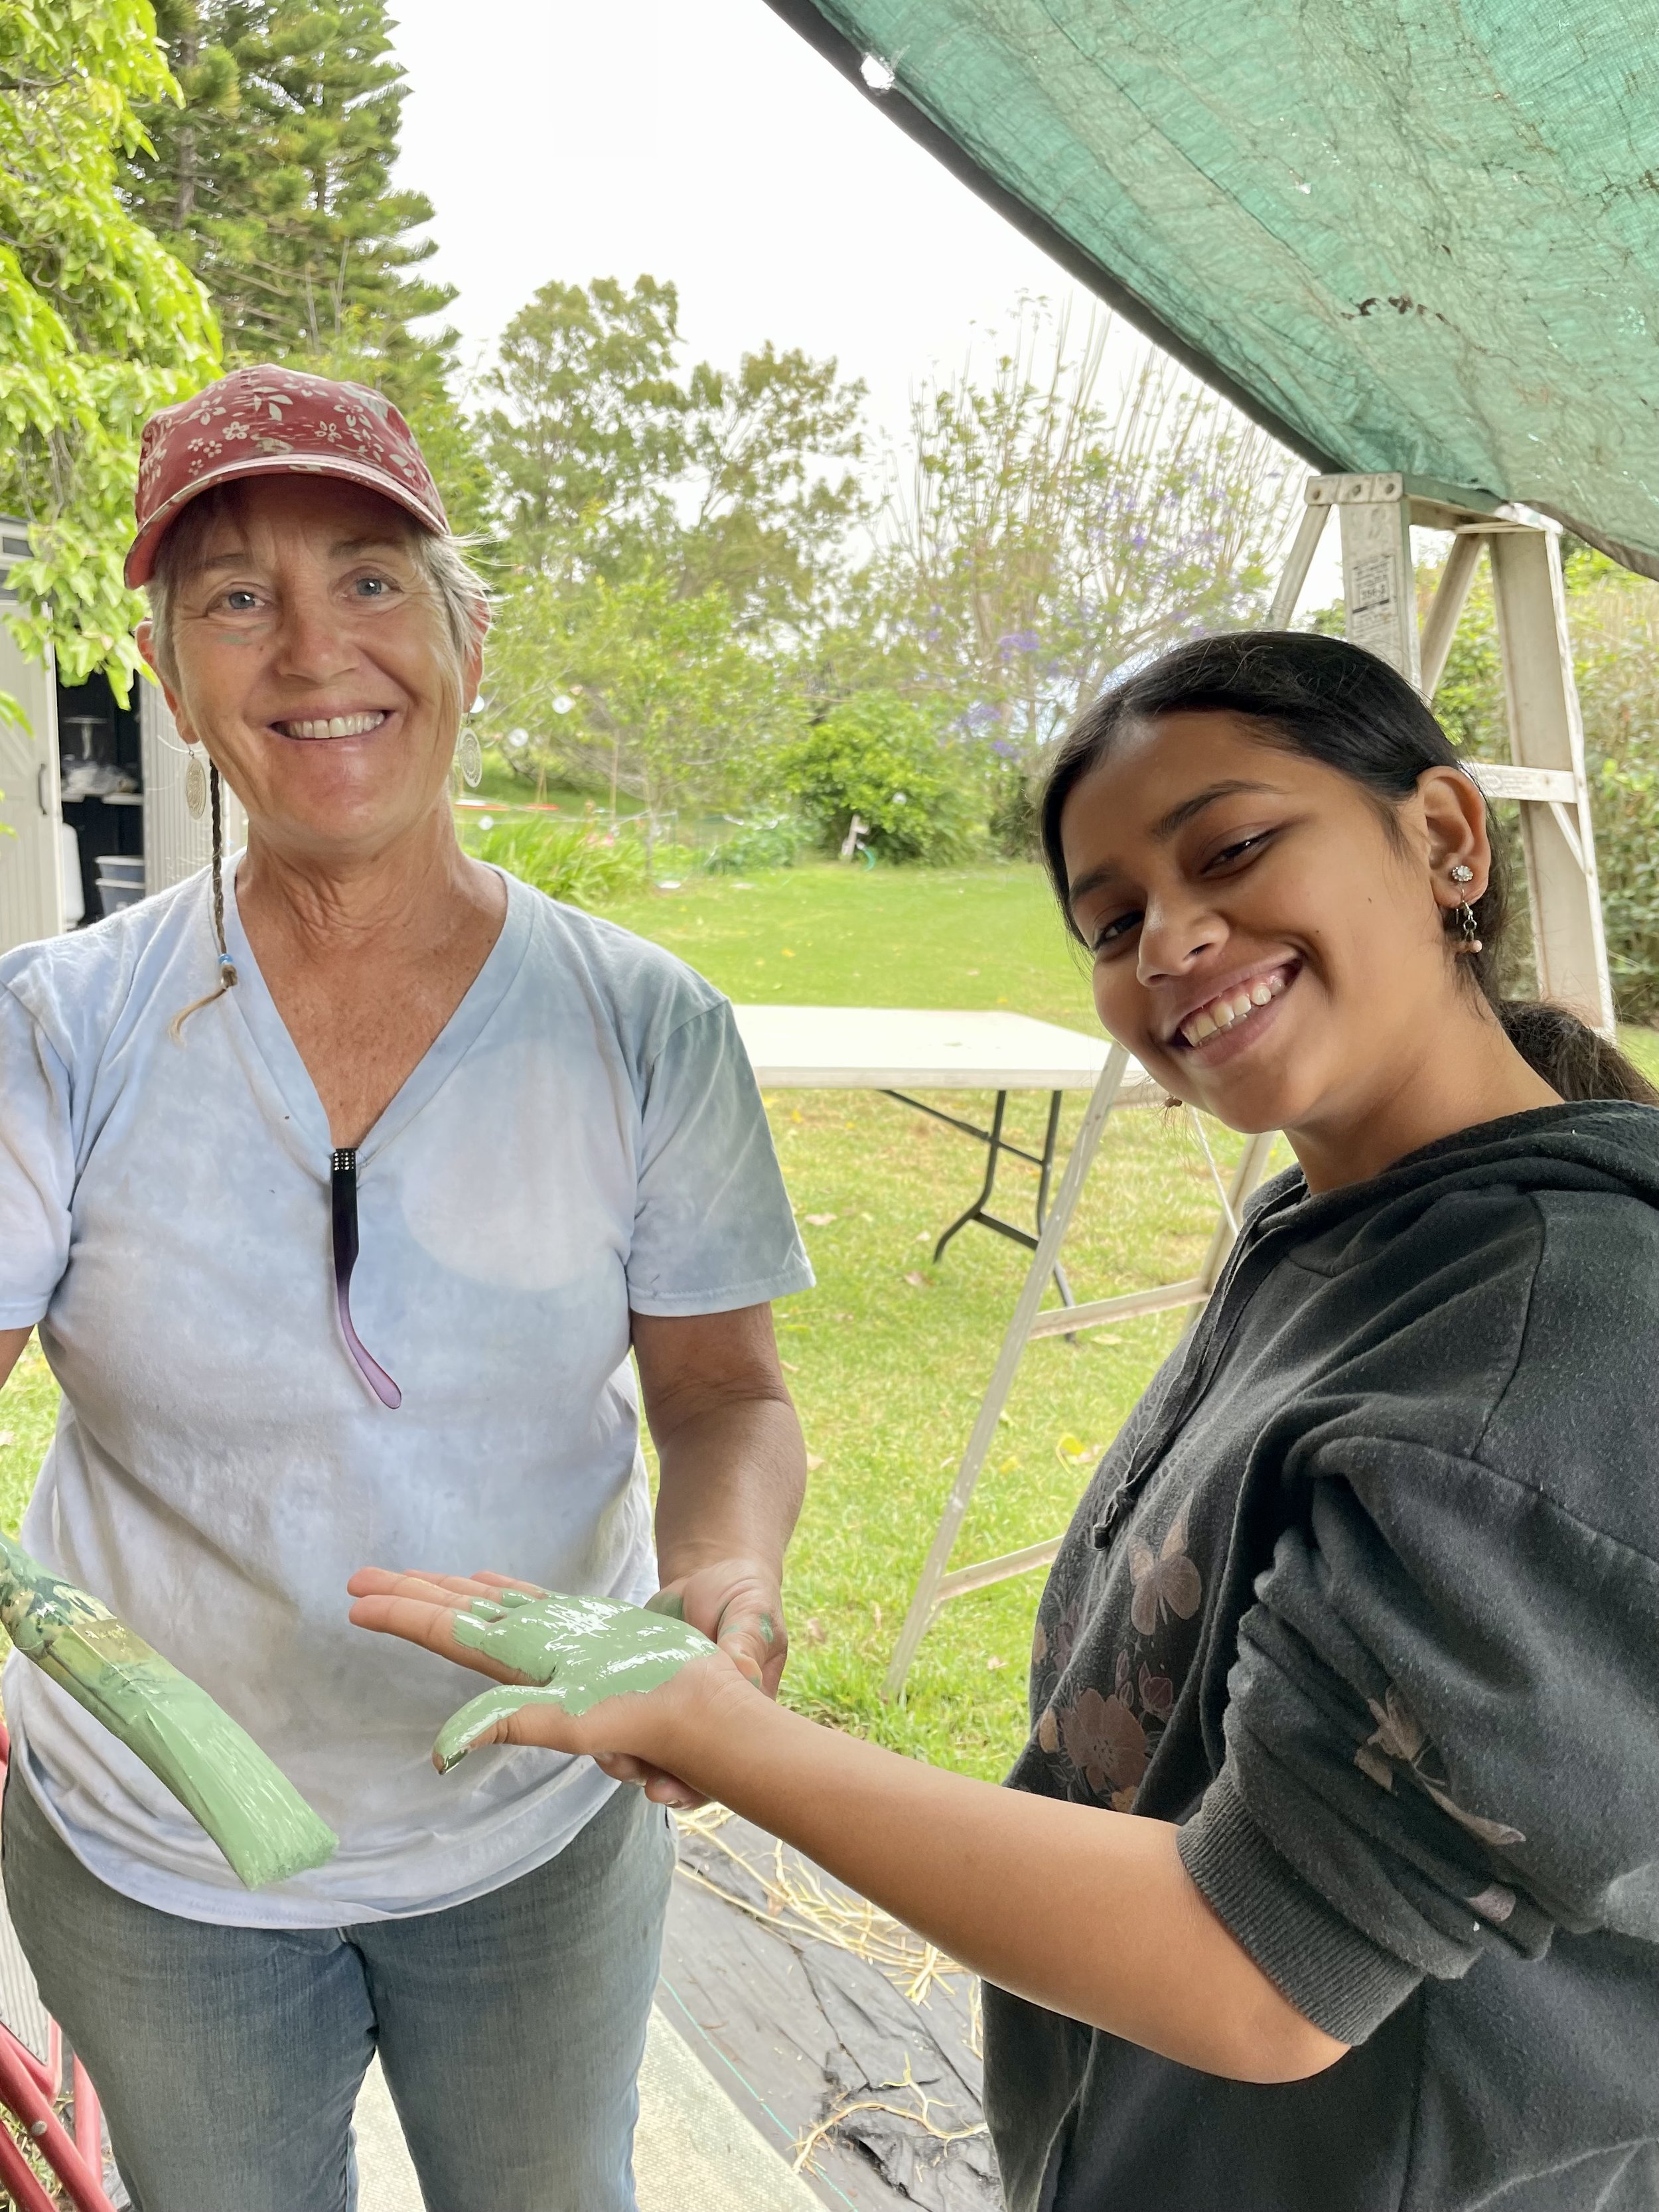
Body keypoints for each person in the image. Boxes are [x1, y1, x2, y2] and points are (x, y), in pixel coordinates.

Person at [354, 630, 1659, 2212]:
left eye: (1230, 849)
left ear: (1442, 835)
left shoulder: (1547, 1340)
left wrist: (722, 1729)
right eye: (1111, 921)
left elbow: (1257, 1969)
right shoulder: (1343, 1222)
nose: (1169, 940)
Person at [0, 364, 813, 2212]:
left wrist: (725, 1580)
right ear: (176, 676)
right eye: (234, 598)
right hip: (156, 1848)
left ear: (464, 635)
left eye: (370, 578)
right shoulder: (59, 1027)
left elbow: (721, 1395)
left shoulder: (642, 1025)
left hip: (534, 1823)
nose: (309, 647)